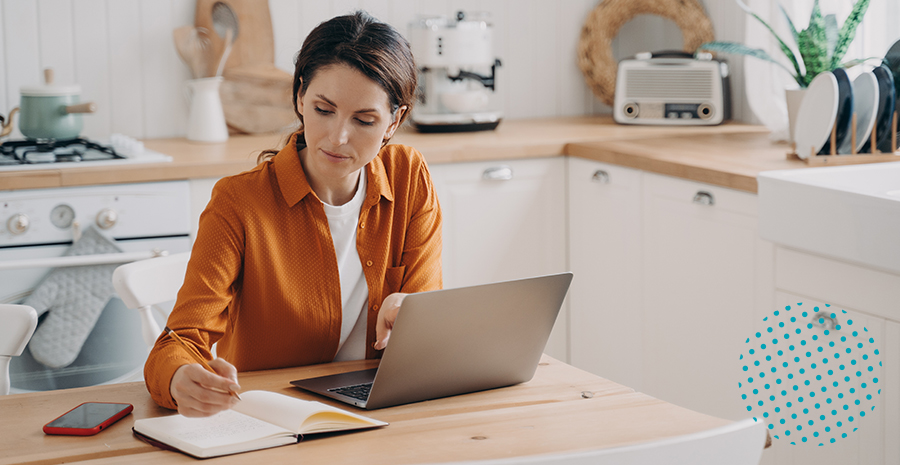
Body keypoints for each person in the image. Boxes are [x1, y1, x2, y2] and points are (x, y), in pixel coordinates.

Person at [144, 11, 442, 417]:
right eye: (324, 109)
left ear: (395, 121)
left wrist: (408, 310)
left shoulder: (409, 176)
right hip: (275, 421)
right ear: (300, 96)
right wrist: (180, 379)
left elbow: (426, 318)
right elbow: (179, 341)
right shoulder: (239, 202)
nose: (338, 137)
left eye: (364, 120)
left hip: (384, 414)